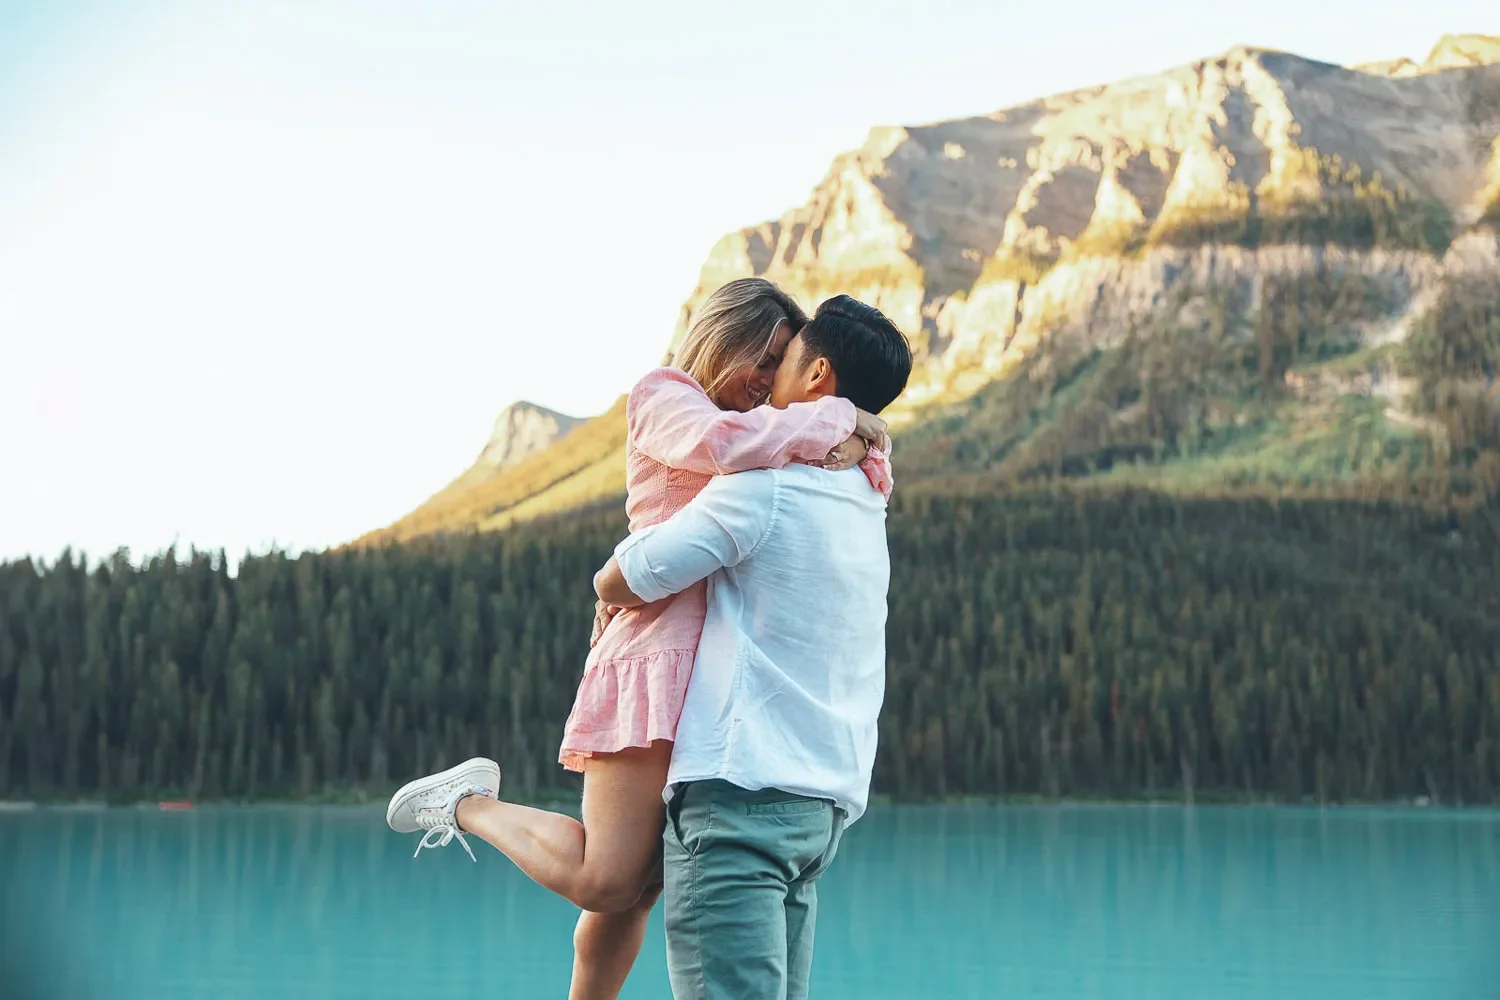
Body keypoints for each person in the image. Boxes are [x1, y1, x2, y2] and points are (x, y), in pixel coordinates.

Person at [383, 278, 893, 1000]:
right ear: (727, 339)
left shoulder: (777, 438)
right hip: (655, 650)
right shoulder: (666, 395)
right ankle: (469, 804)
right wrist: (837, 420)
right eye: (765, 354)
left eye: (783, 360)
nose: (767, 375)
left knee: (643, 885)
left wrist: (857, 444)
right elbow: (724, 445)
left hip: (710, 670)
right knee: (609, 876)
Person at [592, 294, 913, 999]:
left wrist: (610, 583)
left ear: (817, 373)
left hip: (739, 799)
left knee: (616, 888)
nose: (767, 387)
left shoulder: (764, 488)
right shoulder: (868, 498)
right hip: (820, 809)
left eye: (783, 363)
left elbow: (624, 578)